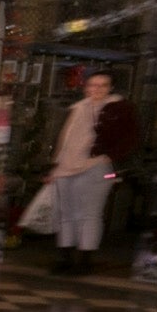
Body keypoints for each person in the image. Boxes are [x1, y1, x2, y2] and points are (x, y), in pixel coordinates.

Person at [46, 69, 138, 275]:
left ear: (110, 88)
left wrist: (107, 157)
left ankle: (85, 260)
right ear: (85, 87)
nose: (96, 89)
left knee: (90, 214)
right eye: (92, 85)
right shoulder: (77, 108)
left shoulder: (119, 108)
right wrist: (54, 166)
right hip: (65, 166)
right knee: (66, 214)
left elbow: (130, 138)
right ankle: (65, 257)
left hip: (96, 165)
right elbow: (63, 138)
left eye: (102, 85)